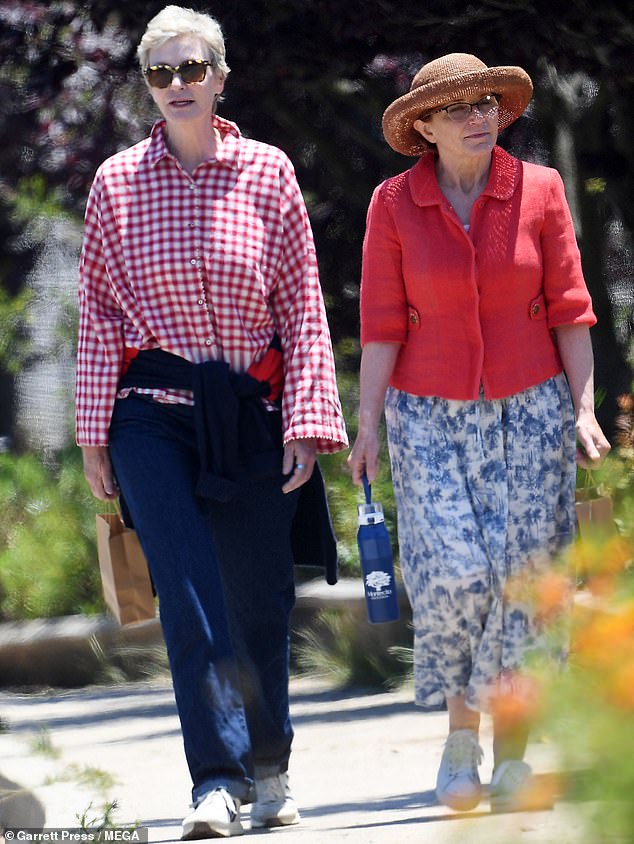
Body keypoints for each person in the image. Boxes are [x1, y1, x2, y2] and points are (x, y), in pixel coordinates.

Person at [76, 5, 347, 838]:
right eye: (161, 73)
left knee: (259, 600)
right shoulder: (116, 184)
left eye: (193, 69)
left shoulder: (269, 173)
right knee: (189, 597)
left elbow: (303, 306)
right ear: (147, 86)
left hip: (252, 411)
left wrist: (307, 419)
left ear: (220, 77)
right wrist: (93, 436)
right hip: (150, 416)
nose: (178, 85)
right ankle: (216, 782)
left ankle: (271, 768)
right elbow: (96, 314)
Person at [348, 52, 610, 813]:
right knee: (459, 573)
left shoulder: (540, 190)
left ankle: (514, 758)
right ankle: (461, 737)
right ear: (423, 126)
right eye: (459, 107)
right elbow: (381, 325)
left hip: (531, 409)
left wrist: (584, 408)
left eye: (487, 101)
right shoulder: (393, 204)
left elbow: (571, 307)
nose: (478, 115)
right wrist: (367, 425)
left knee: (525, 580)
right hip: (427, 414)